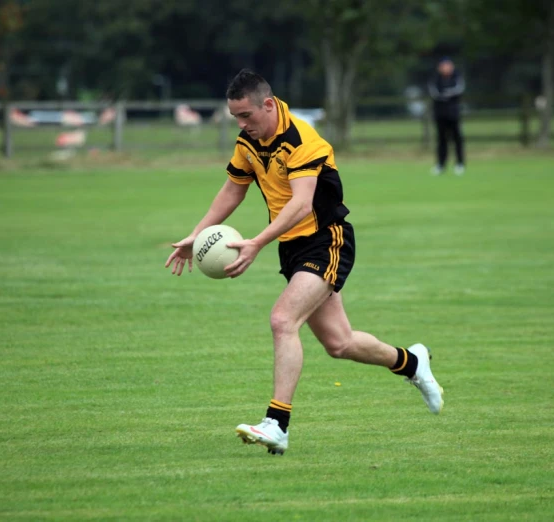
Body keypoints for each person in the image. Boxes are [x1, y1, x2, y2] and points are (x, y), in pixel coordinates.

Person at [165, 69, 444, 455]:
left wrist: (257, 242)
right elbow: (233, 190)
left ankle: (277, 425)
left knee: (283, 320)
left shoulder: (302, 139)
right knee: (339, 343)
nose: (242, 125)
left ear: (268, 104)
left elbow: (300, 204)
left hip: (326, 240)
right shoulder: (249, 140)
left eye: (247, 116)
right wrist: (196, 236)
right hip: (292, 247)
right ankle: (412, 363)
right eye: (236, 119)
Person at [428, 57, 466, 176]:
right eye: (443, 66)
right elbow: (435, 93)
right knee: (441, 140)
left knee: (457, 139)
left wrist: (446, 94)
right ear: (439, 68)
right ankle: (441, 165)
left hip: (453, 113)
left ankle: (460, 164)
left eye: (447, 66)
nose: (445, 68)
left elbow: (458, 90)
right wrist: (447, 95)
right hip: (440, 114)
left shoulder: (457, 78)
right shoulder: (435, 80)